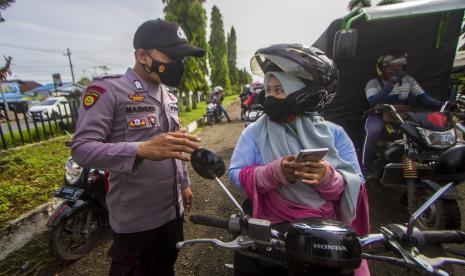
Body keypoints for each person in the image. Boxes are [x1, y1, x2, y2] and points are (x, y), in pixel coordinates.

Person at [71, 19, 205, 276]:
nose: (178, 65)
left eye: (181, 58)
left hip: (172, 211)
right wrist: (140, 149)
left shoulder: (170, 96)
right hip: (136, 220)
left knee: (166, 267)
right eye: (171, 57)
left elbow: (174, 146)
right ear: (141, 55)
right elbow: (81, 148)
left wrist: (184, 183)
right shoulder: (109, 91)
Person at [229, 44, 370, 276]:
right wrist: (274, 173)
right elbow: (236, 173)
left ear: (300, 91)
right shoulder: (254, 132)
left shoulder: (334, 133)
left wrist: (327, 177)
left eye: (279, 90)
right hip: (274, 229)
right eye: (269, 90)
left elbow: (357, 183)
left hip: (325, 230)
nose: (271, 96)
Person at [362, 51, 443, 174]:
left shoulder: (408, 81)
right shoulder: (373, 83)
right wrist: (389, 85)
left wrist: (442, 105)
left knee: (422, 131)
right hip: (379, 115)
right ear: (382, 69)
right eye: (392, 67)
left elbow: (423, 98)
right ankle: (364, 167)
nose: (396, 69)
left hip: (402, 115)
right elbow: (373, 102)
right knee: (373, 132)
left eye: (400, 66)